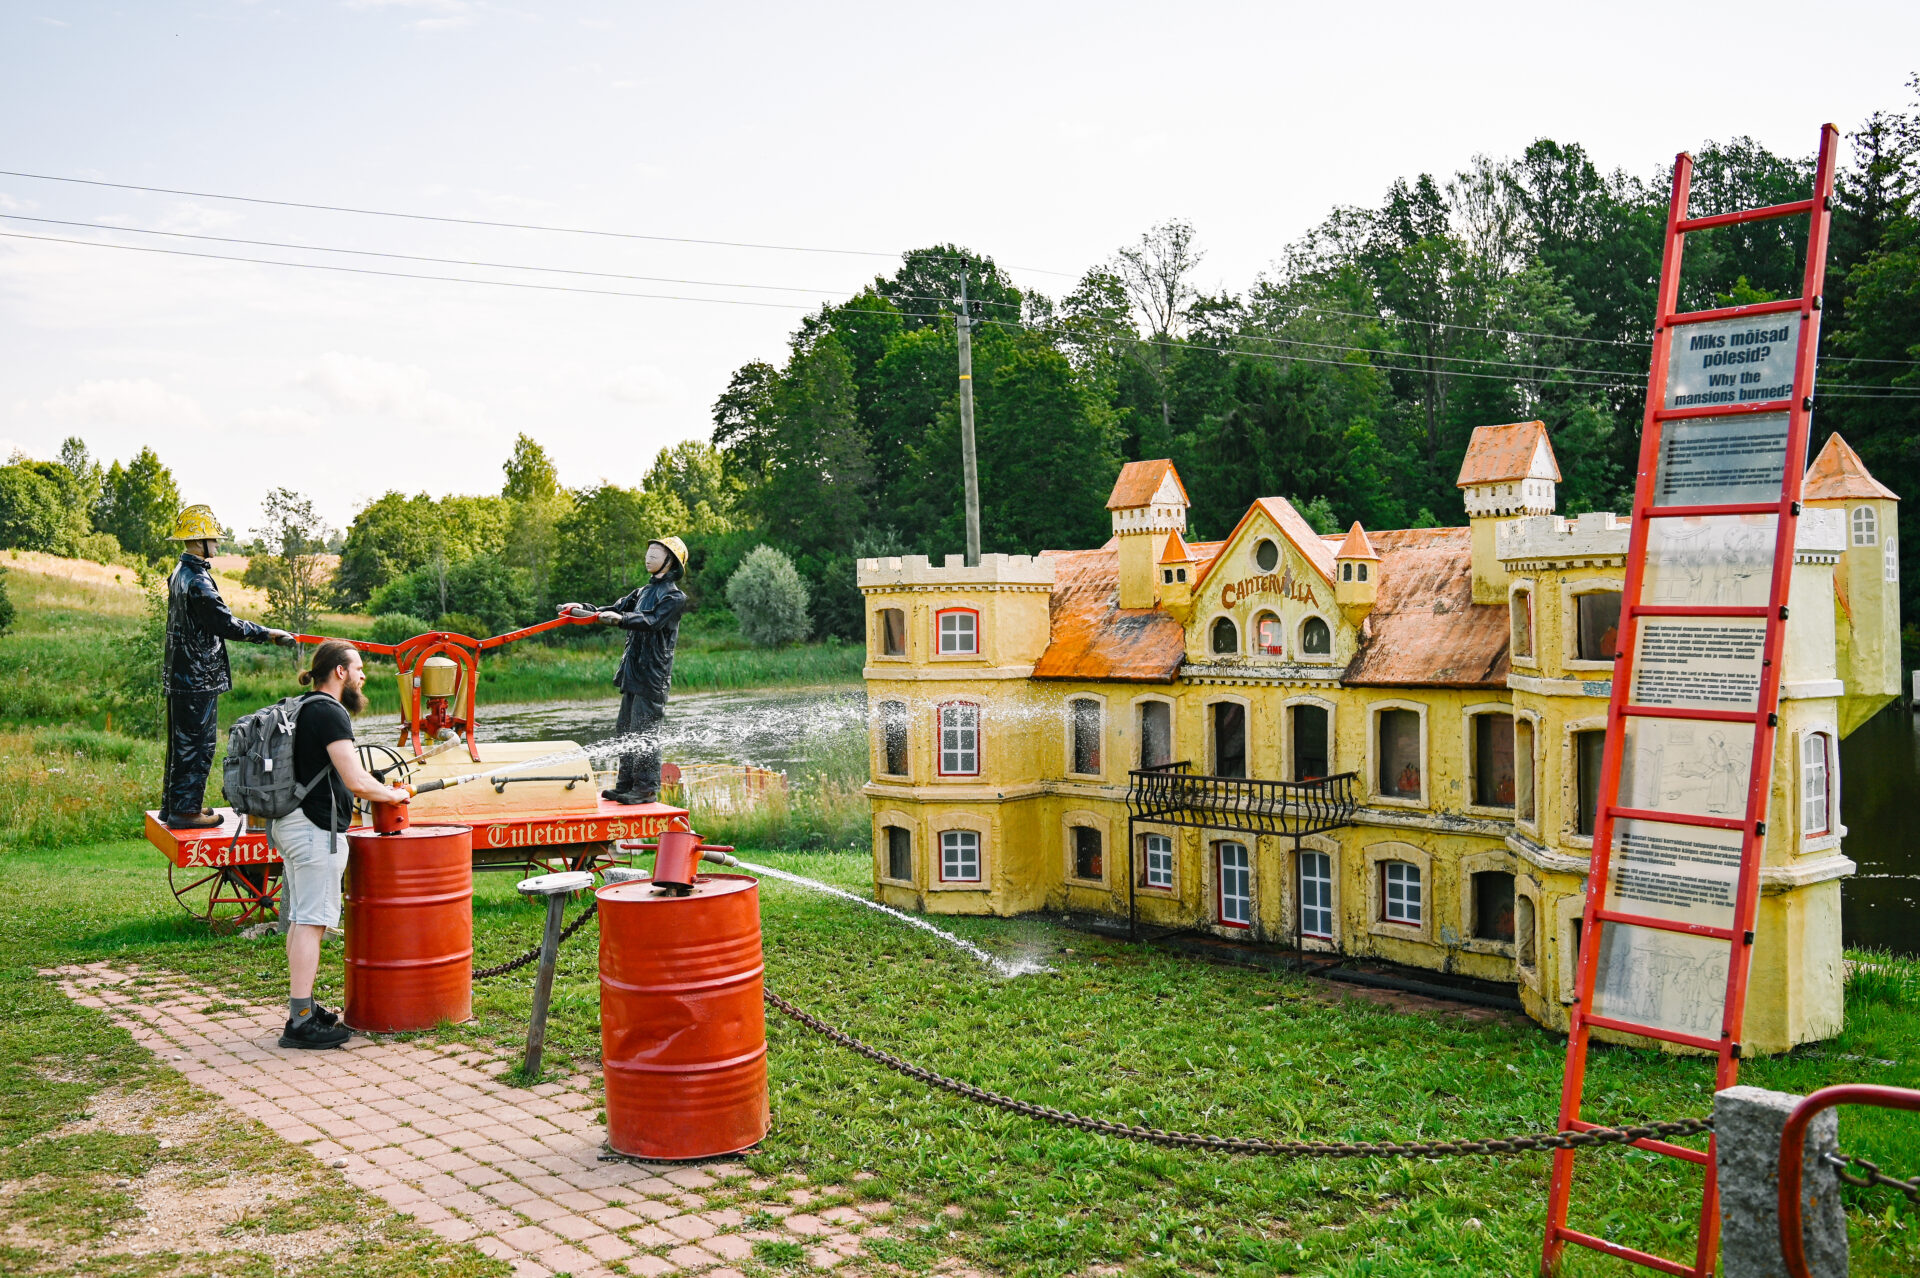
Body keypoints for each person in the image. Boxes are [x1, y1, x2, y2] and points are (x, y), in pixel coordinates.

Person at [272, 640, 412, 1050]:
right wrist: (394, 796)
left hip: (289, 822)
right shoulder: (329, 711)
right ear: (339, 672)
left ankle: (304, 1008)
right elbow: (355, 779)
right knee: (313, 920)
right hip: (315, 829)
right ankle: (300, 1023)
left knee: (301, 917)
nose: (363, 676)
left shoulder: (299, 707)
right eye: (359, 668)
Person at [161, 504, 295, 829]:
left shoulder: (179, 574)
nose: (218, 545)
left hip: (181, 675)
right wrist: (268, 634)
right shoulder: (198, 581)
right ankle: (187, 811)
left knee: (180, 744)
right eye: (213, 539)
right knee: (199, 745)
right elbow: (226, 624)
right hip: (198, 677)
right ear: (199, 541)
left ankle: (174, 805)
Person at [557, 536, 689, 805]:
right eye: (648, 552)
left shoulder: (674, 597)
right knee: (625, 730)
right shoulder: (640, 593)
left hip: (653, 676)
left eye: (656, 553)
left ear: (670, 562)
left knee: (644, 732)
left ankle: (645, 789)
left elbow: (650, 622)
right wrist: (583, 610)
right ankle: (625, 784)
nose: (648, 557)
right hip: (632, 674)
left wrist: (622, 620)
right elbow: (613, 609)